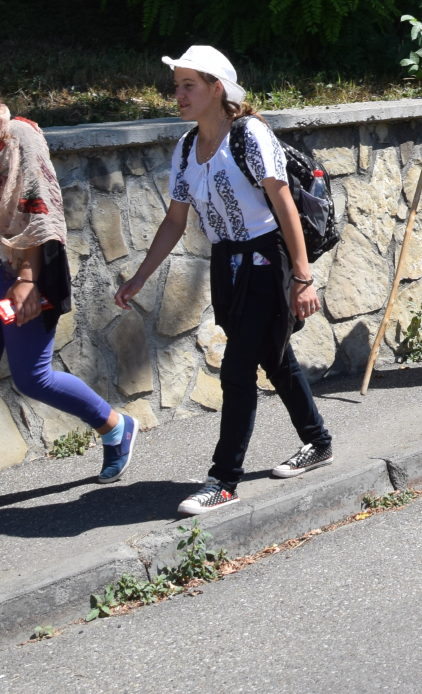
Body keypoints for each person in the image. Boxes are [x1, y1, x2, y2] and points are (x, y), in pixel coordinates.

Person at [118, 46, 334, 517]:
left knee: (237, 369)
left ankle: (223, 480)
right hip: (226, 262)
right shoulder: (185, 148)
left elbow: (284, 205)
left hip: (266, 257)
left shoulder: (249, 134)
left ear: (217, 88)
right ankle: (318, 441)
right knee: (274, 356)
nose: (178, 95)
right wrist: (139, 277)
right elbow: (175, 221)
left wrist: (303, 277)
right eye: (176, 86)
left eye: (188, 85)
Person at [0, 65, 135, 524]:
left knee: (33, 378)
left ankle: (115, 426)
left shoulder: (20, 136)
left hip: (20, 272)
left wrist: (29, 280)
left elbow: (42, 209)